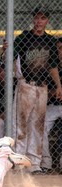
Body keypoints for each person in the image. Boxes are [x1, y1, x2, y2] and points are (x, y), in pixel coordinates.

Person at [12, 6, 62, 174]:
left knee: (38, 125)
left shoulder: (50, 41)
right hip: (26, 84)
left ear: (47, 21)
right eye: (37, 18)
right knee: (21, 125)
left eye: (43, 18)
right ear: (33, 19)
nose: (39, 21)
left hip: (43, 87)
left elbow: (53, 66)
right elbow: (11, 58)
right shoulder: (23, 38)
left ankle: (34, 163)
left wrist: (58, 85)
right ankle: (20, 162)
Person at [41, 37, 62, 174]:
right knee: (40, 125)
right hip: (52, 105)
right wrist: (52, 92)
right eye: (58, 49)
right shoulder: (49, 67)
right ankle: (46, 162)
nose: (60, 52)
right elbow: (42, 90)